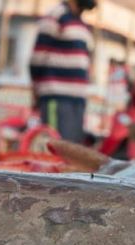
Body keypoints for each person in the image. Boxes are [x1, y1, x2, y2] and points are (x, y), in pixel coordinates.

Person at [30, 0, 97, 143]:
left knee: (73, 149)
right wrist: (36, 90)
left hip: (77, 100)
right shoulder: (56, 16)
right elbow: (37, 59)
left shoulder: (82, 25)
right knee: (57, 148)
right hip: (56, 98)